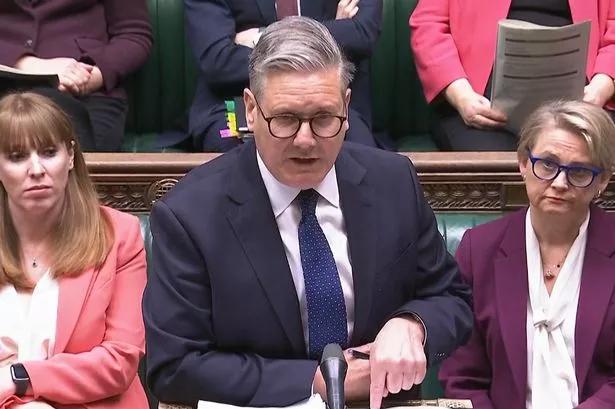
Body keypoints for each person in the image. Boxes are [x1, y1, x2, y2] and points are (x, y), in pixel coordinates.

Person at [144, 16, 472, 409]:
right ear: (251, 110)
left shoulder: (393, 182)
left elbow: (451, 297)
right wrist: (318, 381)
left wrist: (413, 325)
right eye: (285, 119)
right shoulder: (190, 215)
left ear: (346, 107)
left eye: (323, 119)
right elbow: (174, 367)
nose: (305, 140)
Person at [439, 100, 615, 409]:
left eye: (579, 172)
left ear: (601, 180)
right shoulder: (479, 250)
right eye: (547, 164)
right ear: (523, 163)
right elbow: (462, 378)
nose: (559, 183)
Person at [0, 92, 148, 409]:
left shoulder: (119, 235)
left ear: (70, 156)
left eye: (48, 152)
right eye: (17, 156)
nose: (36, 169)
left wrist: (20, 376)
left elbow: (119, 361)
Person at [174, 0, 382, 152]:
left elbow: (361, 33)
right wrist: (328, 34)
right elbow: (219, 61)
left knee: (360, 160)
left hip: (329, 99)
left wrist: (260, 36)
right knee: (236, 158)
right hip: (240, 100)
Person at [410, 0, 615, 151]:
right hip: (481, 108)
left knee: (580, 153)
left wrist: (602, 86)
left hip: (582, 104)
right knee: (500, 165)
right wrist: (462, 96)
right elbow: (429, 25)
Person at [0, 0, 153, 152]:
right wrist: (25, 63)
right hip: (4, 81)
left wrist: (87, 77)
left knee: (74, 152)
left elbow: (134, 34)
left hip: (85, 94)